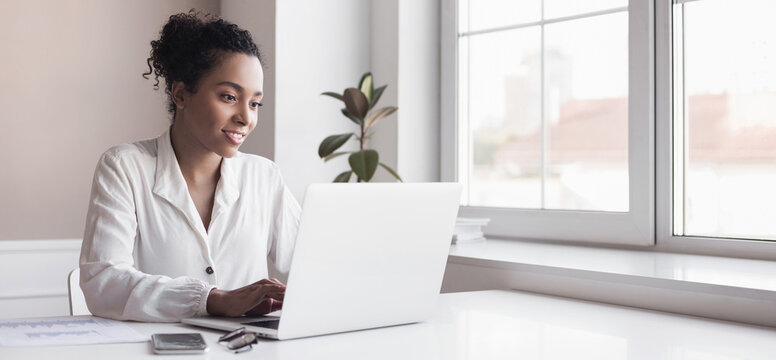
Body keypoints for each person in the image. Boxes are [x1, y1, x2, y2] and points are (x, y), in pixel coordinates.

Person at [79, 11, 300, 322]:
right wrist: (212, 299)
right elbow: (103, 283)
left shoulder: (264, 177)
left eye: (254, 103)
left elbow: (313, 267)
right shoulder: (125, 168)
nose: (246, 118)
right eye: (229, 96)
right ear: (181, 93)